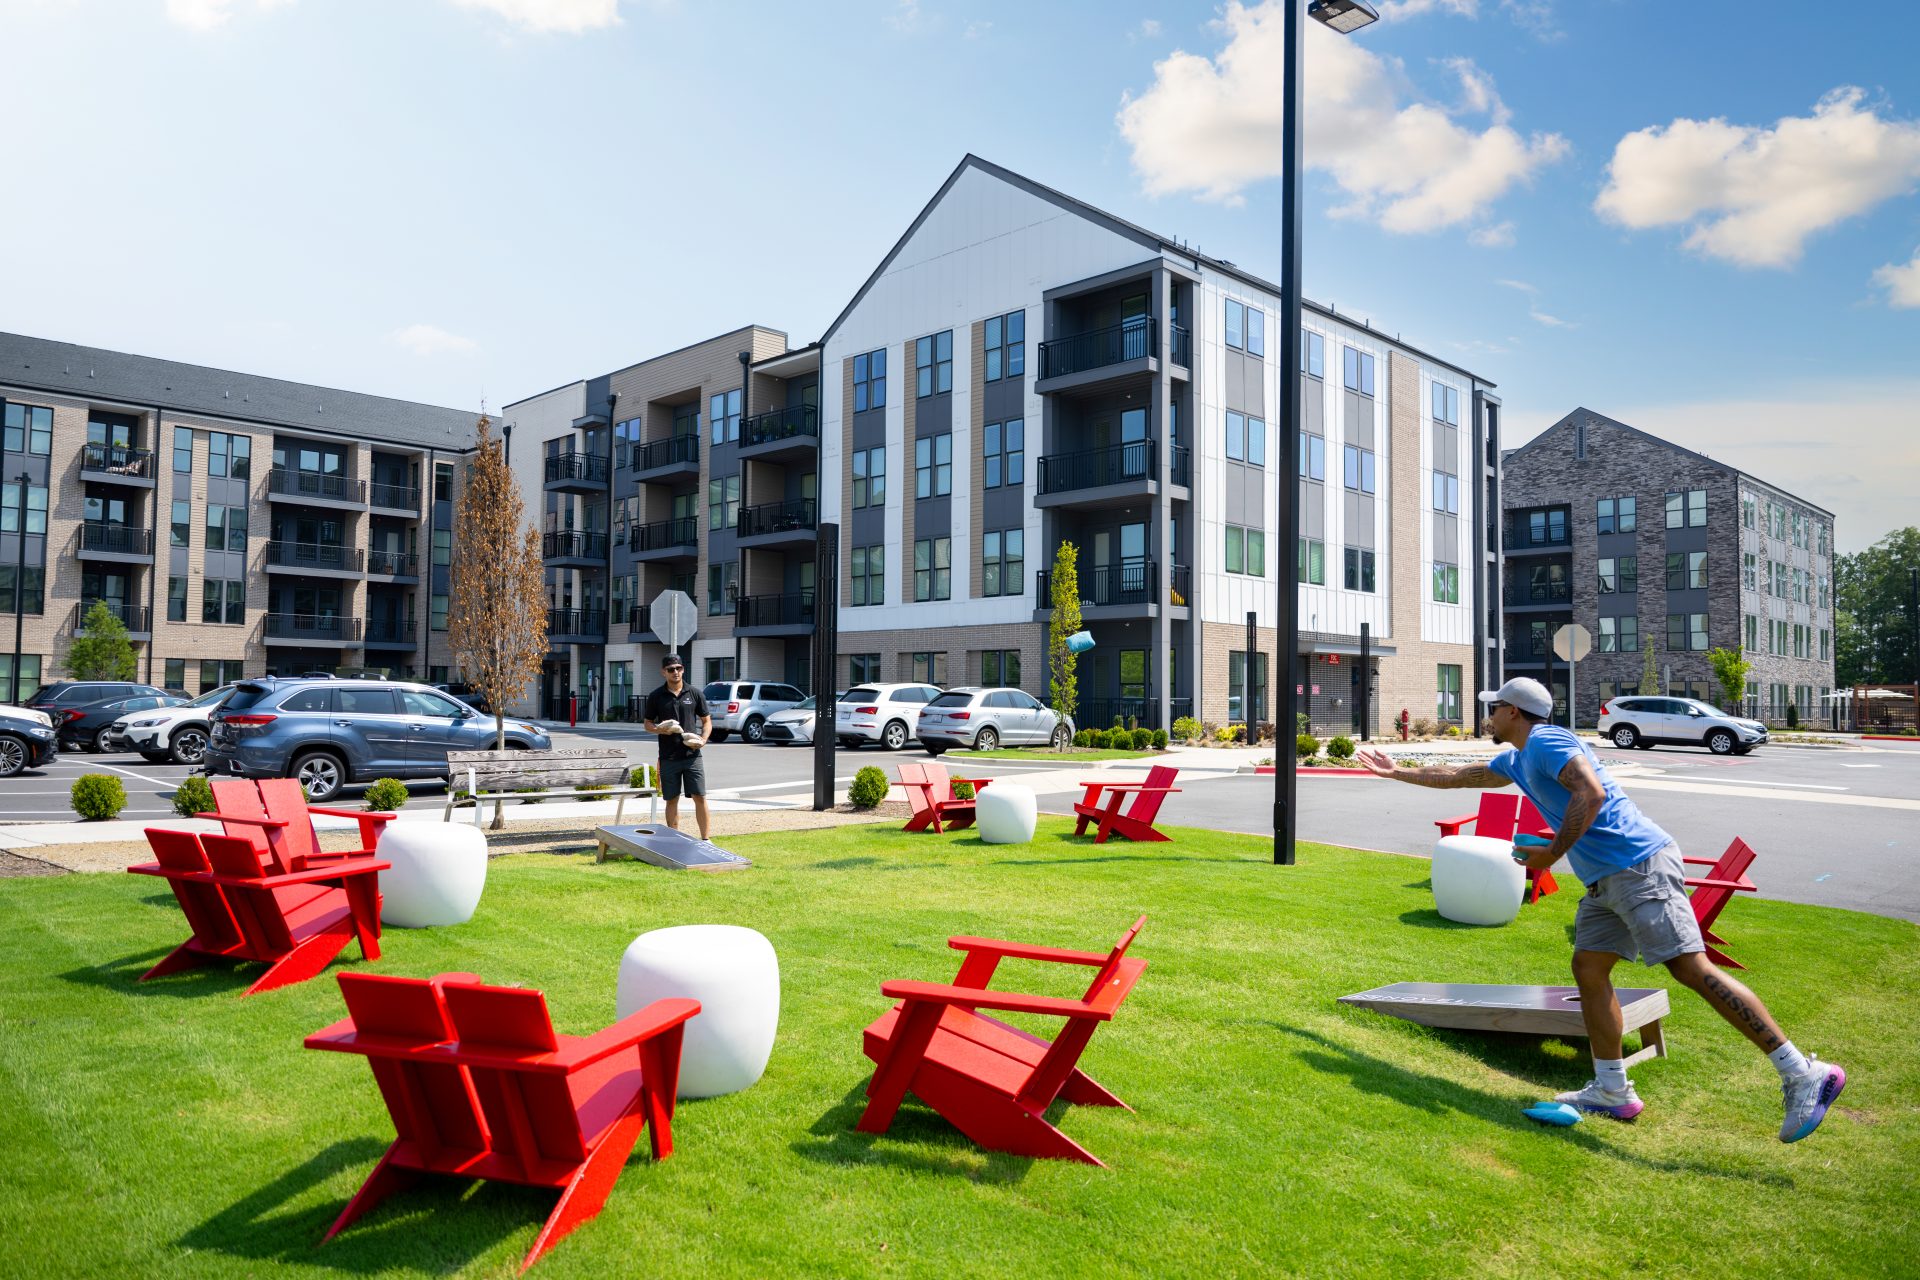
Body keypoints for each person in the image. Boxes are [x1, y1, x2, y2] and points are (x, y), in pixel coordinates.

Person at [1356, 676, 1846, 1142]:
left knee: (1689, 967)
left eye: (1492, 709)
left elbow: (1589, 793)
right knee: (1589, 968)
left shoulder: (1547, 741)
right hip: (1605, 879)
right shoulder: (1519, 757)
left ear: (1512, 712)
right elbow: (1461, 775)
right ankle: (1612, 1088)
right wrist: (1398, 771)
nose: (1488, 717)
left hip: (1637, 865)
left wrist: (1551, 854)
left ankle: (1802, 1073)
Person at [641, 653, 712, 841]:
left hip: (692, 755)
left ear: (683, 669)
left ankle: (706, 839)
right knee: (672, 799)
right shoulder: (656, 696)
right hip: (668, 757)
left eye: (678, 668)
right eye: (671, 669)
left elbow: (707, 721)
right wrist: (660, 730)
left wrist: (703, 740)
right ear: (663, 672)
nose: (675, 672)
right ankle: (674, 841)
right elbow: (647, 724)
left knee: (700, 797)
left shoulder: (695, 693)